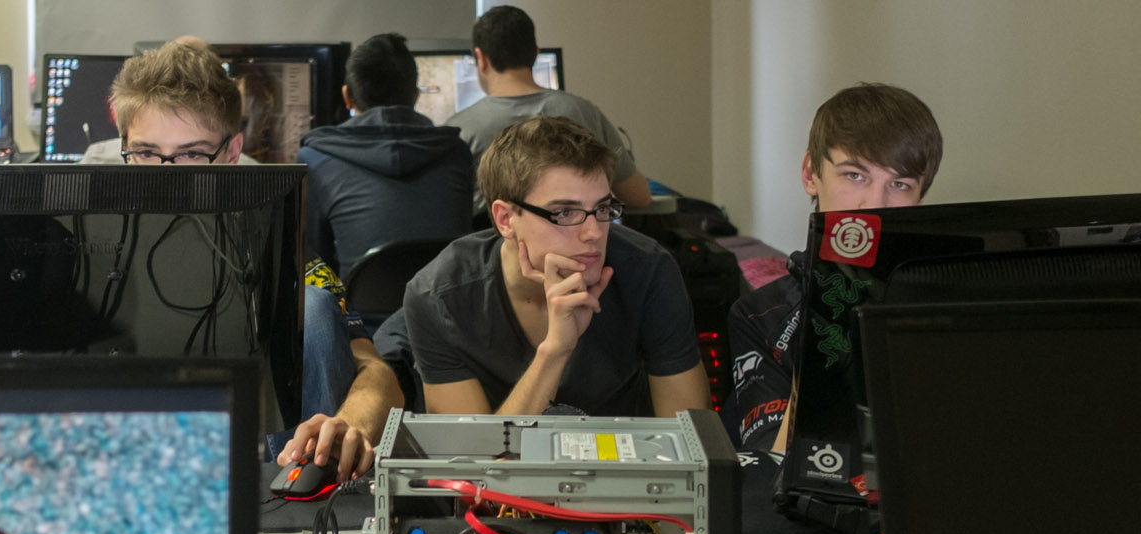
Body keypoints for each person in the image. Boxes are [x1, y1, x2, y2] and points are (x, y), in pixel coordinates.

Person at [111, 37, 401, 478]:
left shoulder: (278, 246)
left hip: (257, 464)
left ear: (231, 152)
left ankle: (305, 487)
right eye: (147, 153)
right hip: (125, 453)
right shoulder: (89, 242)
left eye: (190, 154)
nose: (165, 178)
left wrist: (349, 425)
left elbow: (377, 372)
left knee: (316, 306)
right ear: (125, 145)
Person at [403, 115, 709, 418]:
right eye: (564, 212)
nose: (594, 232)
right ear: (505, 219)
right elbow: (473, 461)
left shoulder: (648, 271)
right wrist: (555, 352)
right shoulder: (439, 297)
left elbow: (693, 445)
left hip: (626, 462)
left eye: (602, 208)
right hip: (508, 469)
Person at [722, 83, 943, 451]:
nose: (875, 203)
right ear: (811, 173)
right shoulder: (760, 315)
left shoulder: (940, 303)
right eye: (854, 175)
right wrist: (830, 314)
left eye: (900, 184)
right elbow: (770, 464)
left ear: (920, 199)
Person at [296, 32, 473, 278]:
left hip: (357, 315)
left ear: (347, 97)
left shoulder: (314, 160)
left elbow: (313, 263)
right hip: (444, 312)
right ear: (415, 96)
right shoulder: (458, 153)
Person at [447, 5, 652, 212]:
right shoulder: (584, 112)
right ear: (535, 54)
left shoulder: (458, 130)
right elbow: (639, 196)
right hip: (578, 239)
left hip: (494, 243)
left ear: (481, 59)